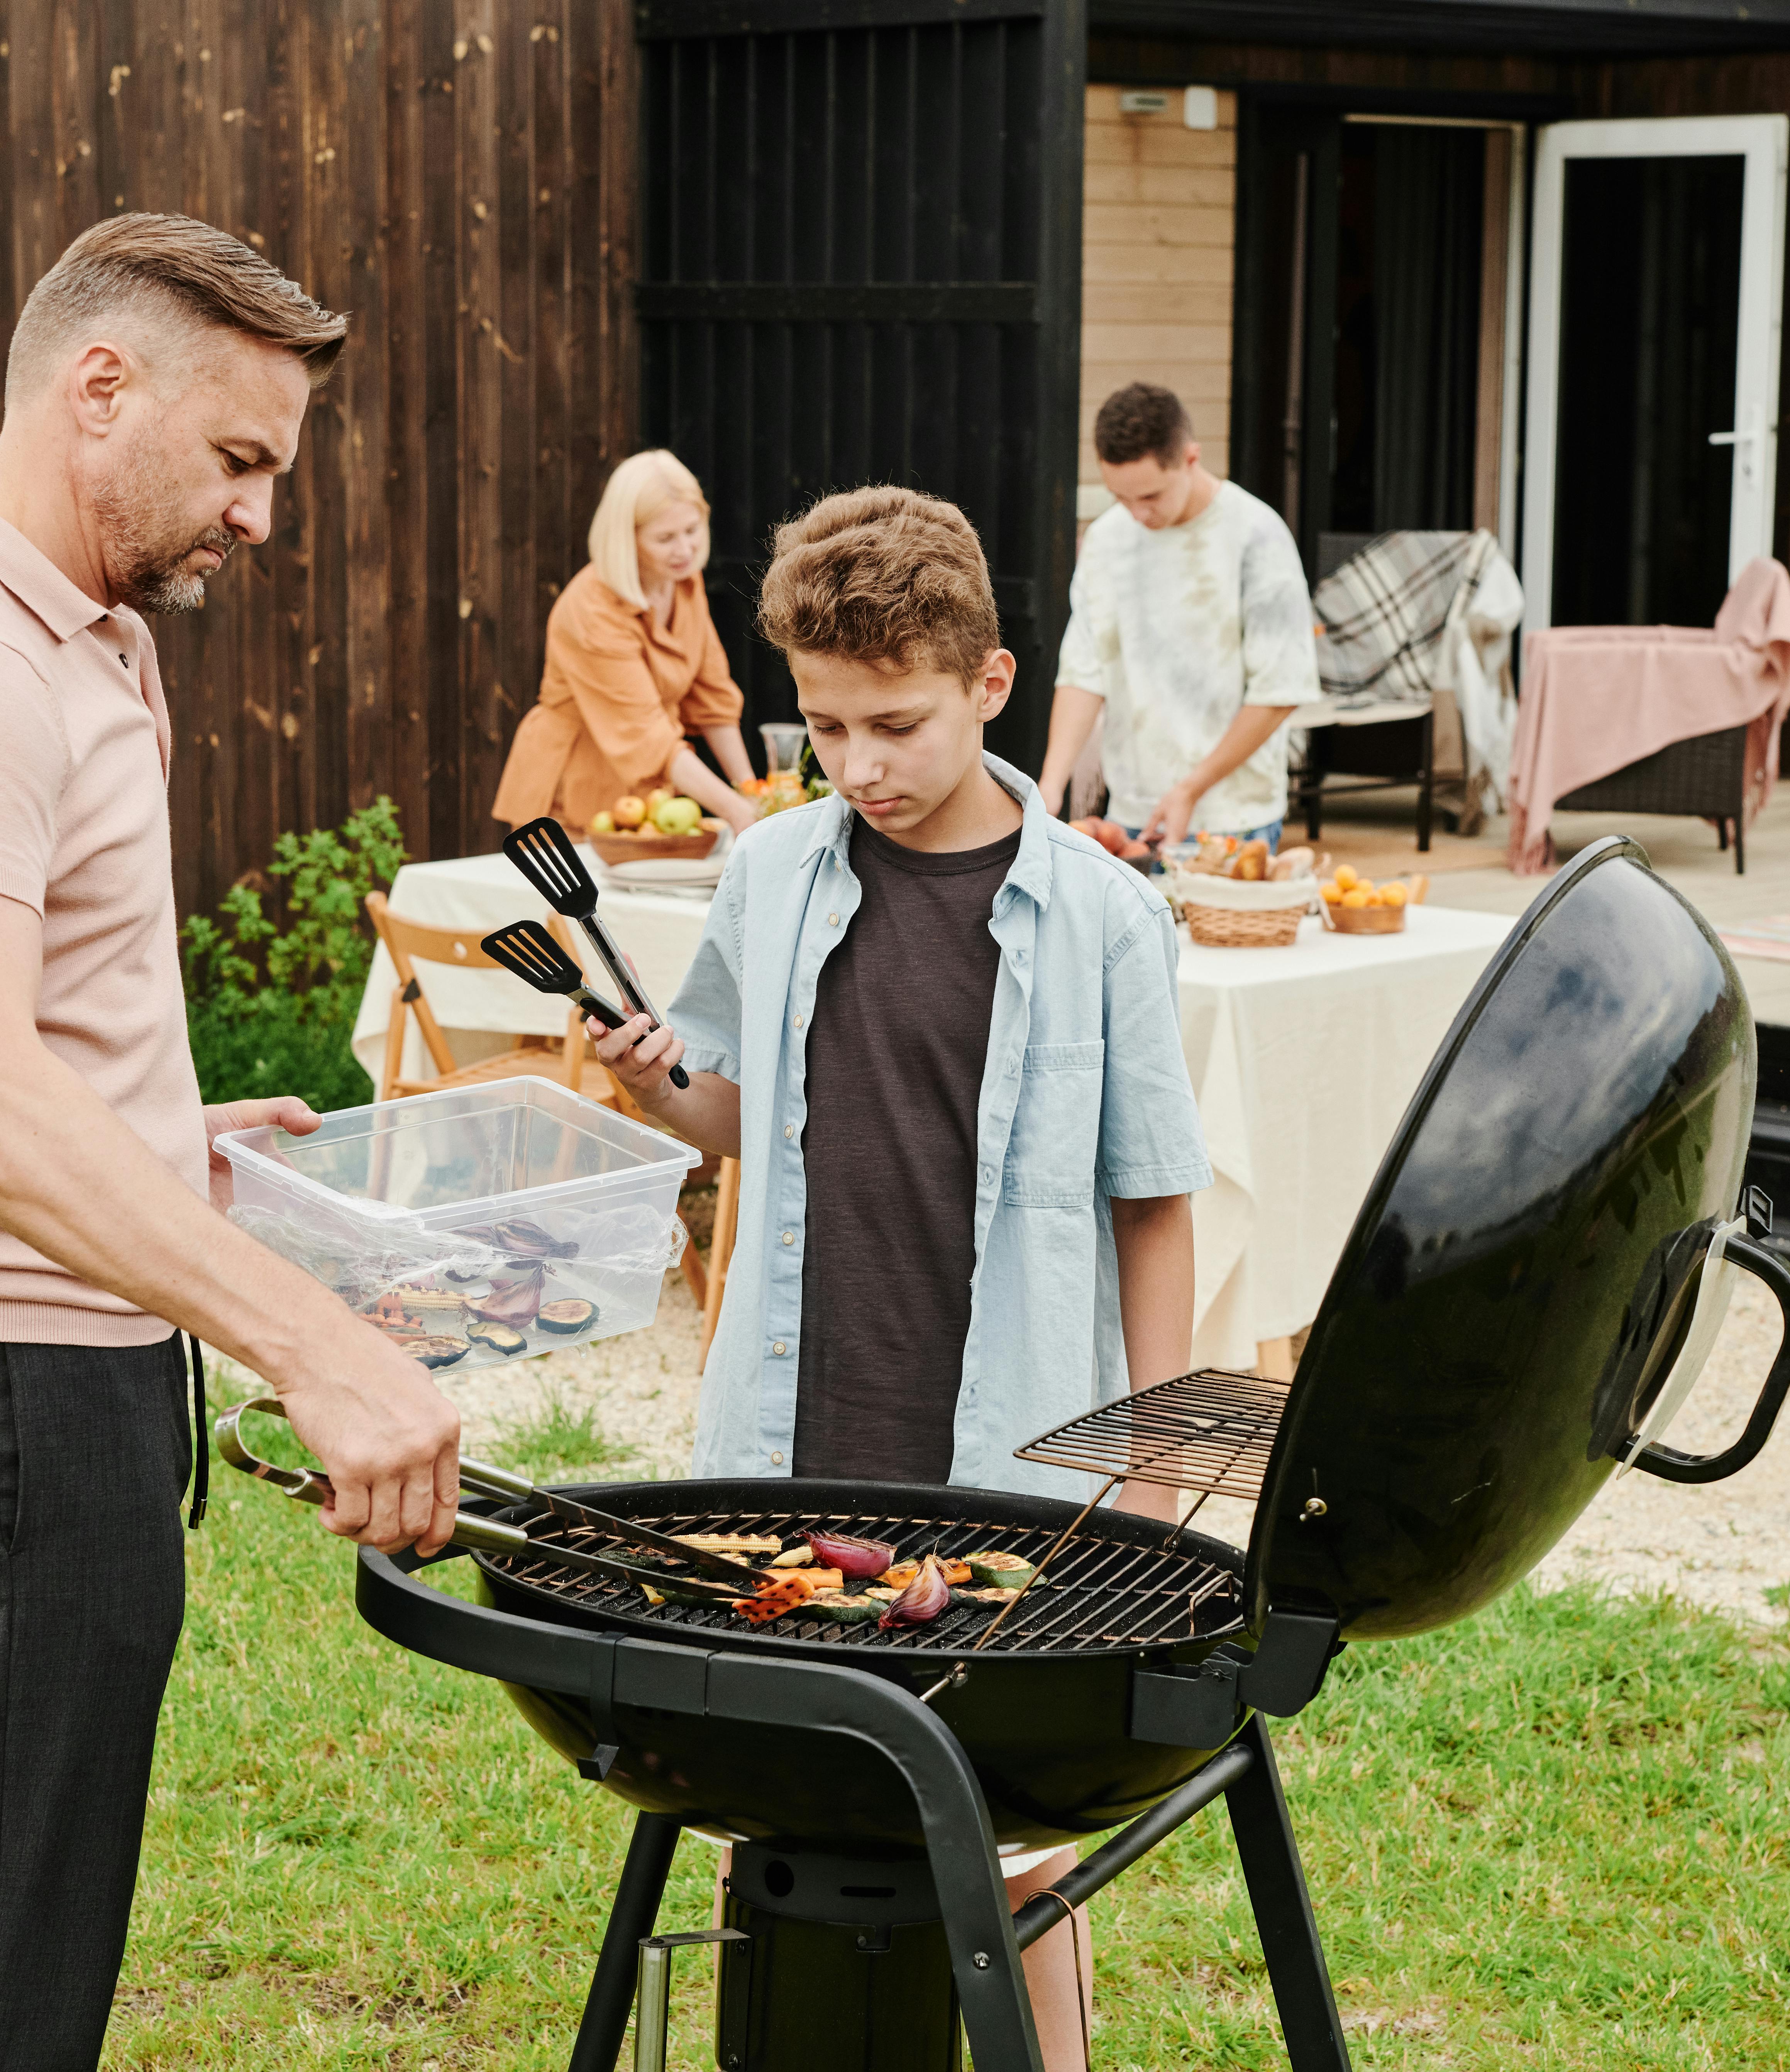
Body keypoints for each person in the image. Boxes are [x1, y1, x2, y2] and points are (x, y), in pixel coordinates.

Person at [0, 213, 462, 2072]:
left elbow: (7, 1042)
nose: (258, 517)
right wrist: (314, 1350)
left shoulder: (60, 630)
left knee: (18, 1936)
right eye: (239, 461)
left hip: (25, 1378)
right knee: (5, 1990)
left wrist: (159, 1122)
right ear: (99, 389)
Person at [584, 485, 1215, 2064]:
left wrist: (1146, 1473)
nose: (858, 766)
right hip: (796, 1422)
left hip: (1003, 1452)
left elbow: (1154, 1204)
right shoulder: (776, 873)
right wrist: (649, 1077)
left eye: (896, 724)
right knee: (771, 1781)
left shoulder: (1105, 920)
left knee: (1014, 1825)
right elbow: (736, 1118)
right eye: (825, 730)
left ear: (990, 686)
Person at [1036, 381, 1324, 849]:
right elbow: (1084, 670)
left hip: (1232, 816)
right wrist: (1051, 784)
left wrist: (1190, 788)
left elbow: (1279, 690)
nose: (1135, 513)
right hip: (1127, 811)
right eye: (1120, 498)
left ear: (1191, 459)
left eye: (1149, 496)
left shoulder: (1257, 537)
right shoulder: (1108, 540)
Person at [491, 448, 759, 834]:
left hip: (646, 793)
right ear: (625, 538)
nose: (684, 550)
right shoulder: (591, 609)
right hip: (572, 796)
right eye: (665, 538)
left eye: (691, 530)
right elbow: (645, 732)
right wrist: (735, 811)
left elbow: (712, 698)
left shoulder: (683, 582)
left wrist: (751, 792)